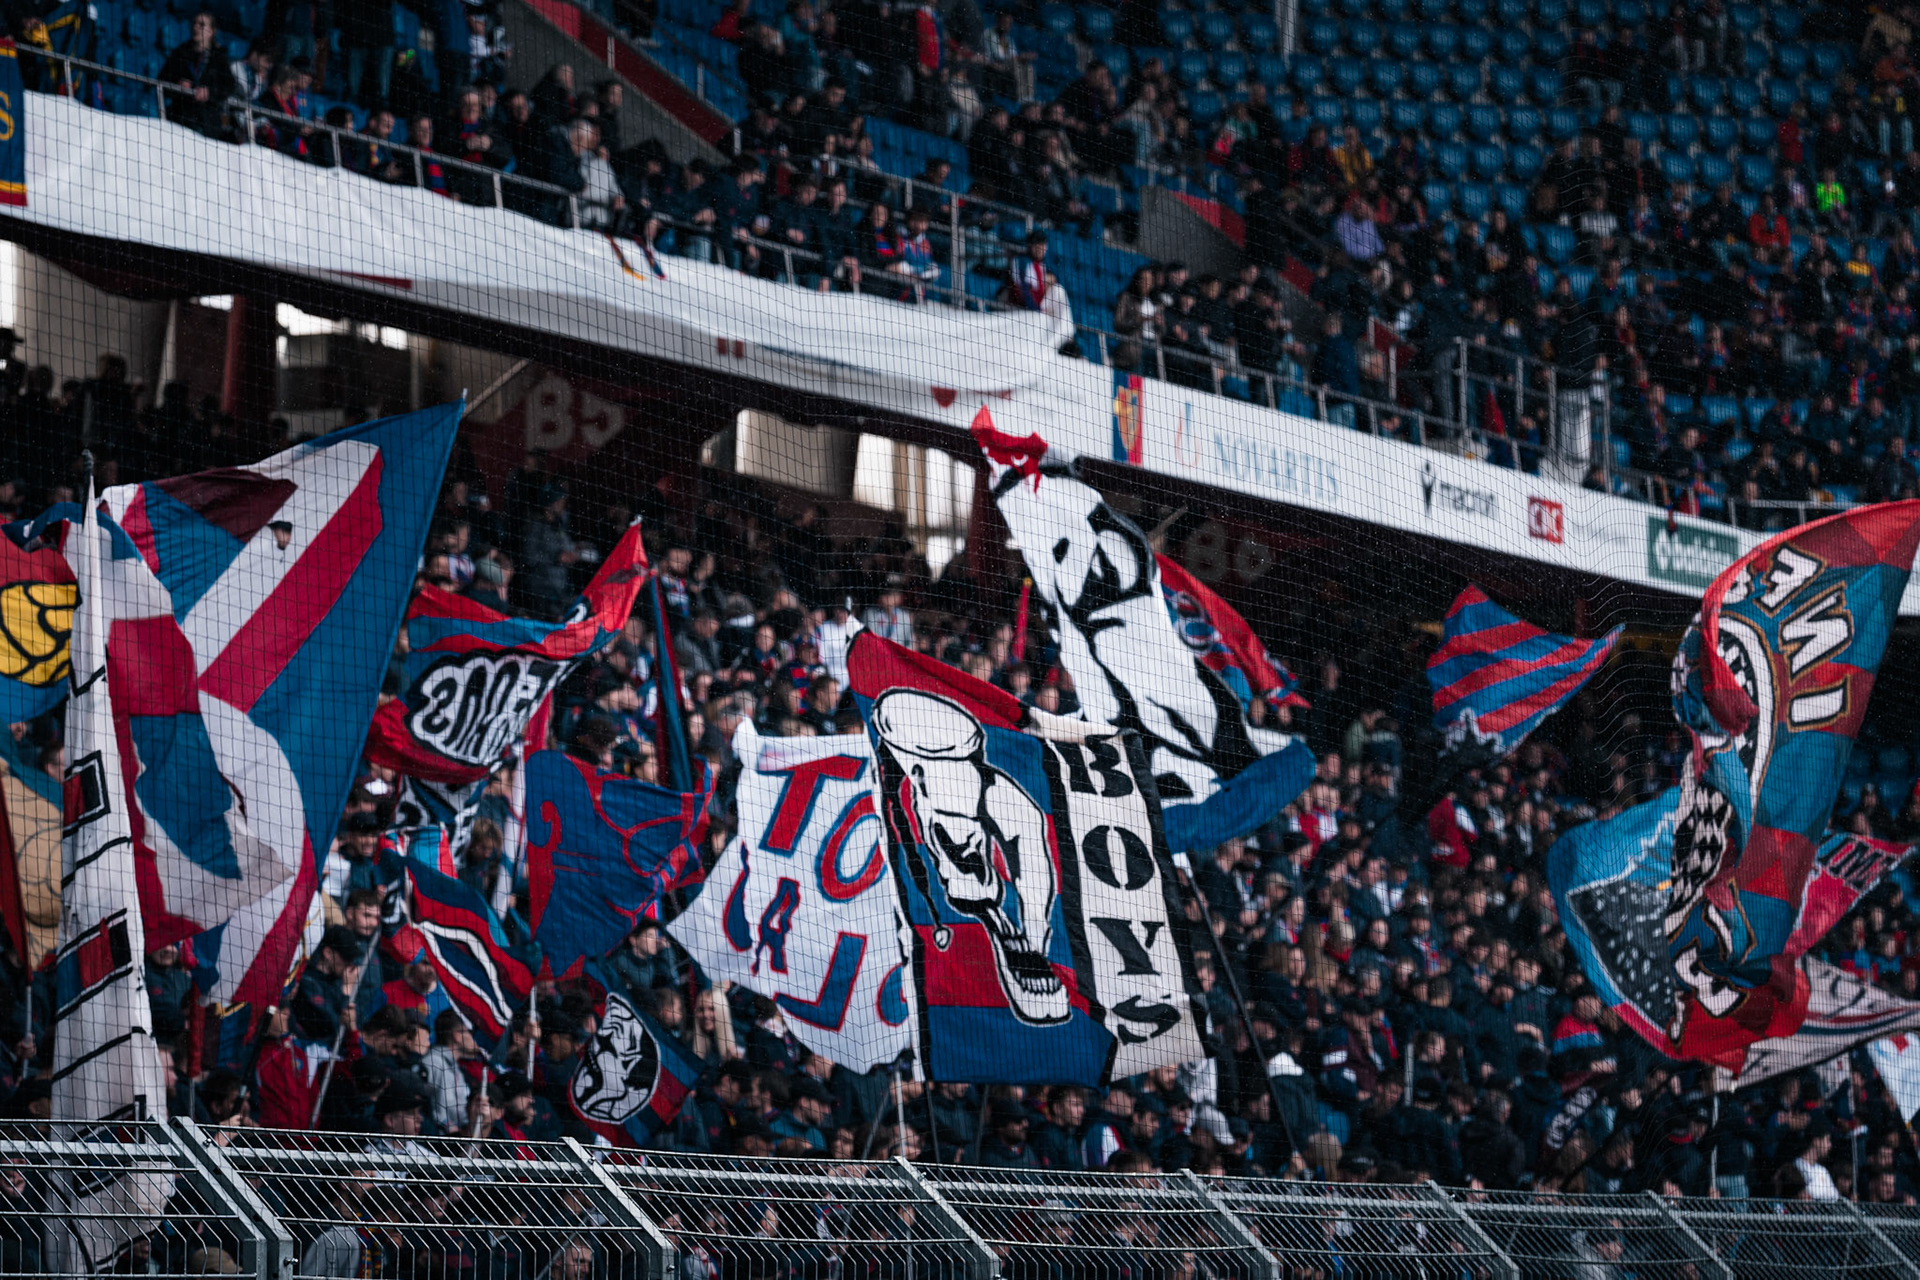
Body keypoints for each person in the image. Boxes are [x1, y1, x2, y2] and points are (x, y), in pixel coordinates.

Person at [158, 11, 239, 138]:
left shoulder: (219, 58)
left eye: (201, 25)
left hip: (208, 124)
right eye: (194, 23)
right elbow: (162, 80)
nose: (196, 27)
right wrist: (177, 84)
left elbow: (229, 87)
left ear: (212, 32)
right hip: (180, 119)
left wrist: (210, 93)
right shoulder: (179, 53)